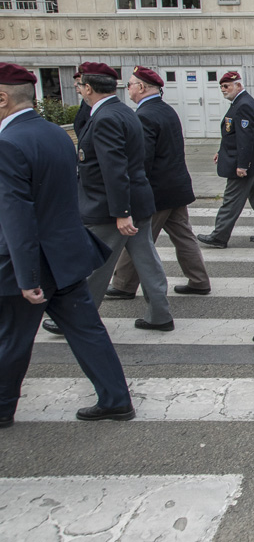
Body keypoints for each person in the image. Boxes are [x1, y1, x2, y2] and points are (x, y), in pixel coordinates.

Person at [0, 63, 135, 427]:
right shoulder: (55, 133)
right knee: (87, 331)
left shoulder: (8, 143)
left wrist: (27, 276)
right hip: (66, 254)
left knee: (12, 339)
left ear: (3, 98)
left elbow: (17, 215)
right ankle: (116, 399)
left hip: (30, 261)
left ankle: (2, 407)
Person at [42, 62, 172, 335]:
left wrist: (121, 212)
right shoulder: (122, 111)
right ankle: (160, 314)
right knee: (146, 260)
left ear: (89, 88)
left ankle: (75, 319)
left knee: (93, 265)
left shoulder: (105, 118)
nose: (78, 89)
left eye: (80, 86)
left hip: (111, 207)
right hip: (135, 200)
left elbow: (114, 169)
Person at [106, 67, 211, 300]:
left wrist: (133, 191)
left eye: (130, 84)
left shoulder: (144, 115)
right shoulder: (166, 110)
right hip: (176, 187)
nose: (128, 89)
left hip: (156, 192)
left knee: (136, 237)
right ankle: (199, 280)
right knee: (183, 236)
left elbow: (141, 160)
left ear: (142, 87)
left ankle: (123, 285)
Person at [197, 71, 254, 249]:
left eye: (226, 86)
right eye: (221, 87)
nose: (223, 89)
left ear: (238, 85)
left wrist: (242, 165)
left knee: (231, 199)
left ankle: (219, 236)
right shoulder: (240, 103)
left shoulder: (243, 105)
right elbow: (232, 134)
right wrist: (221, 151)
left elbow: (244, 138)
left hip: (245, 161)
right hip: (251, 160)